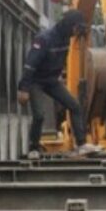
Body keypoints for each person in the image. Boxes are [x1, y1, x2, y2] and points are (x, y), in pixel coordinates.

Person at [17, 9, 98, 157]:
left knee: (74, 106)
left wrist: (59, 76)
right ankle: (33, 148)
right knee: (39, 115)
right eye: (76, 27)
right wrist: (24, 88)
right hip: (36, 81)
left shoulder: (66, 38)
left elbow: (61, 59)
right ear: (69, 25)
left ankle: (81, 144)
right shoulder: (44, 39)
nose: (76, 32)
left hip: (52, 80)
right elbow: (30, 64)